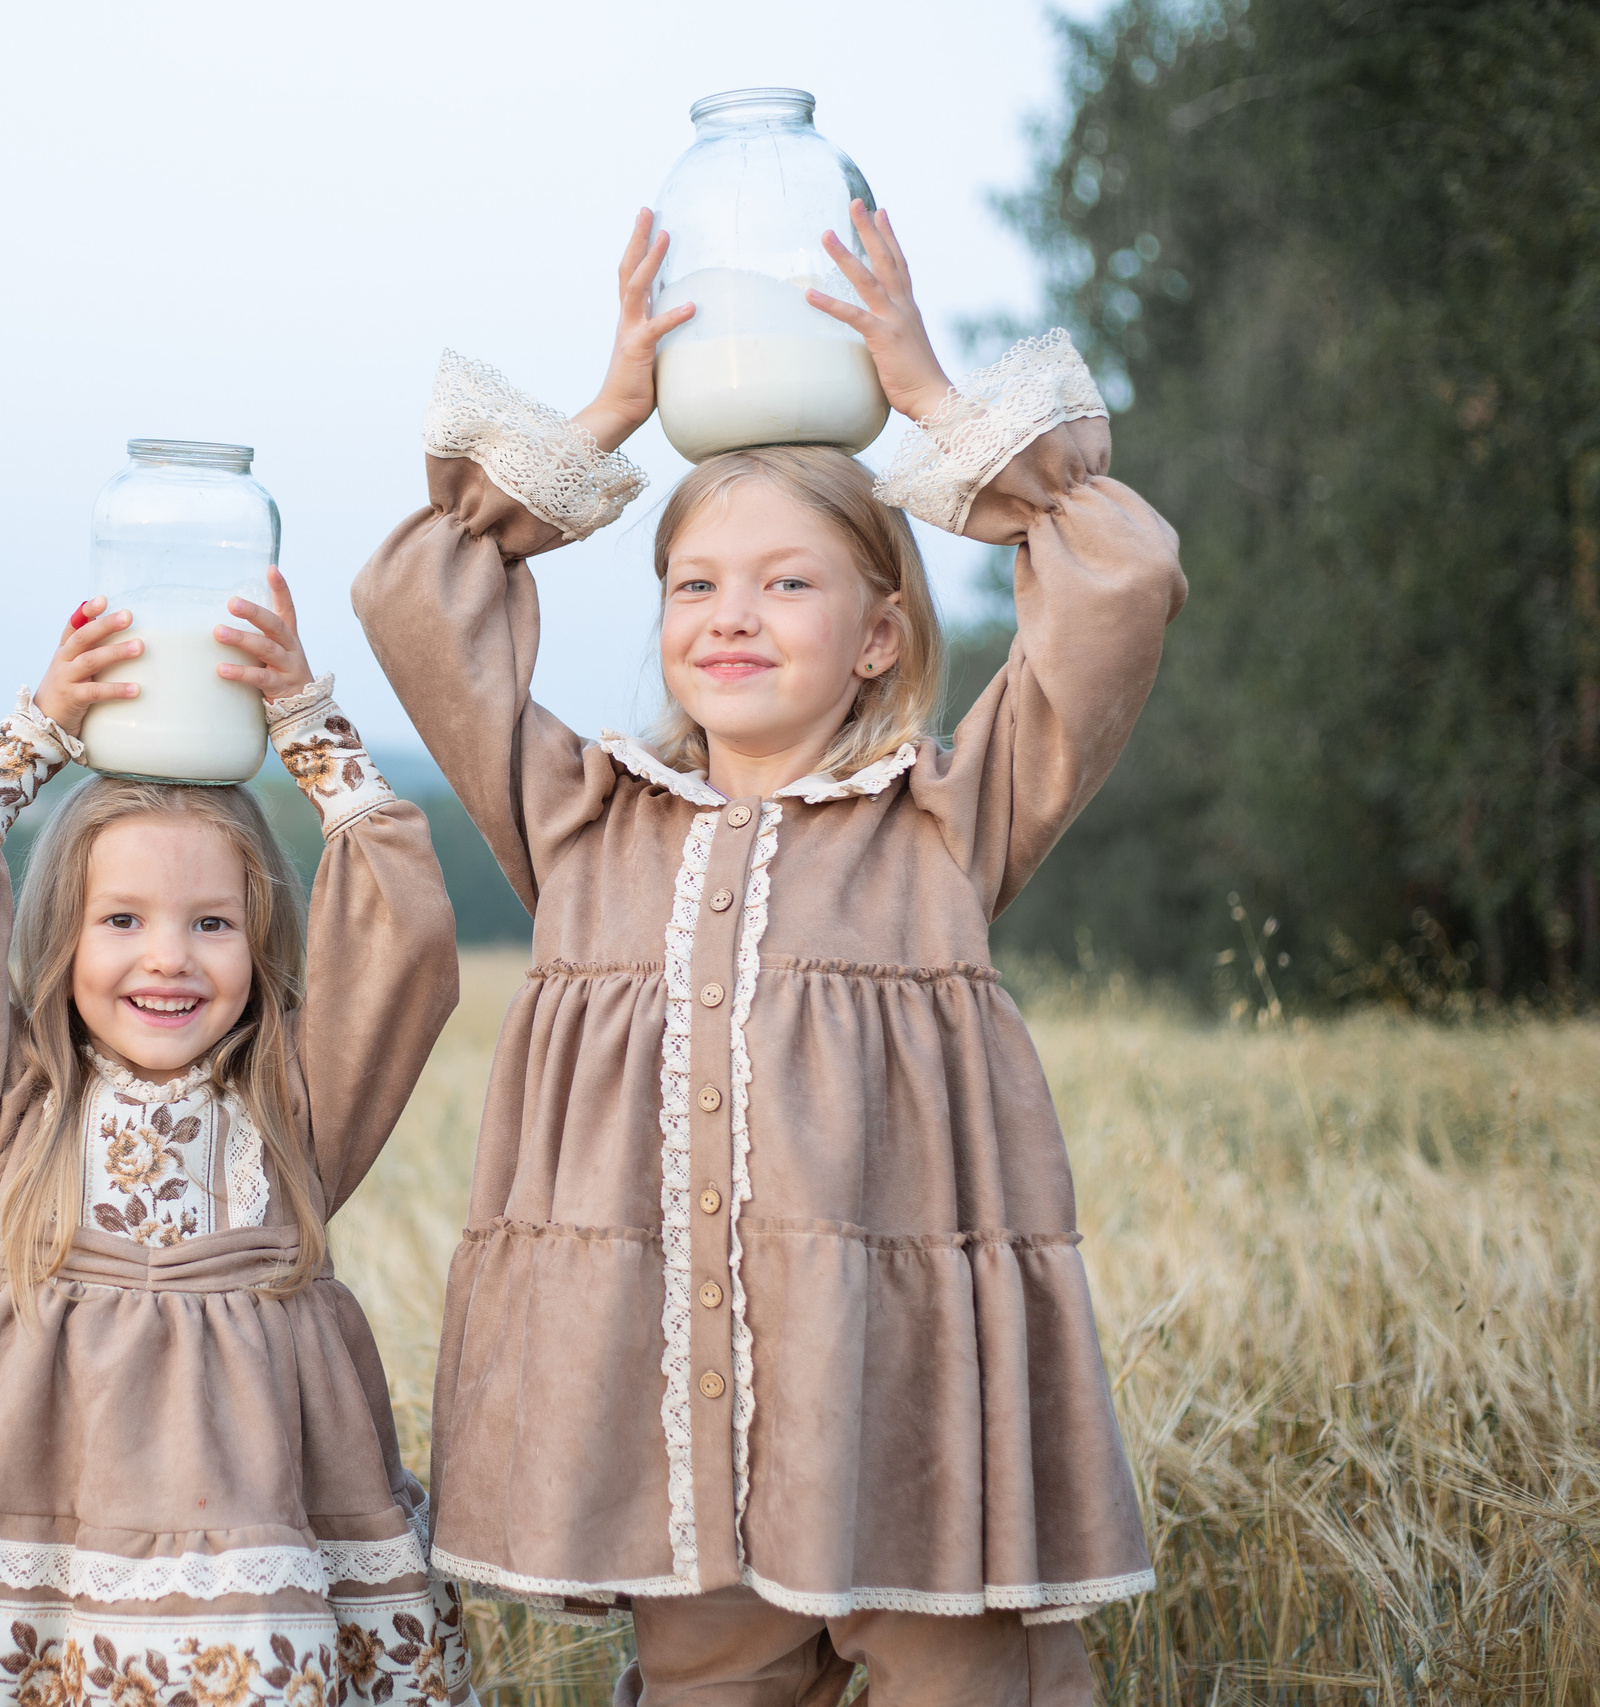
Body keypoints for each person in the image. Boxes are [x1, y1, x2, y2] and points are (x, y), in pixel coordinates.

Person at [350, 204, 1184, 1705]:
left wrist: (930, 400)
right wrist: (607, 419)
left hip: (908, 1433)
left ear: (878, 633)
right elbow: (419, 602)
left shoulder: (943, 820)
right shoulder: (579, 817)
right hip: (674, 1447)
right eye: (695, 583)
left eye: (787, 582)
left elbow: (1118, 578)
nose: (730, 610)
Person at [0, 571, 472, 1707]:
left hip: (247, 1532)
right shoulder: (11, 1108)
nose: (168, 959)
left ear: (263, 938)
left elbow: (409, 930)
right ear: (59, 939)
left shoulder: (295, 1106)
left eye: (213, 923)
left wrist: (307, 728)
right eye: (121, 920)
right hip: (23, 1512)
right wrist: (34, 736)